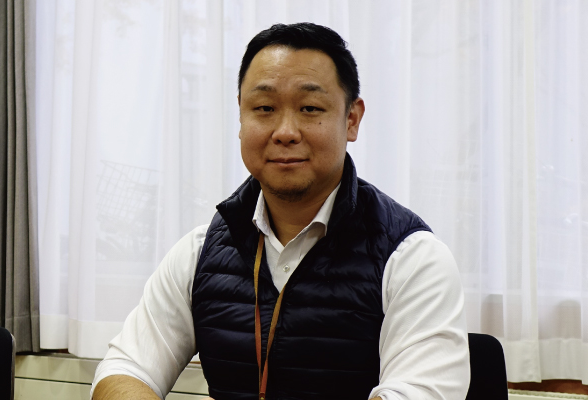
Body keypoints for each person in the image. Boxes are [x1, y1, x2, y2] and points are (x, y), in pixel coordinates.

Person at [91, 22, 470, 400]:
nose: (285, 131)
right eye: (264, 108)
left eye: (310, 108)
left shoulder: (412, 258)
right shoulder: (199, 253)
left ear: (352, 119)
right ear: (241, 118)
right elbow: (126, 368)